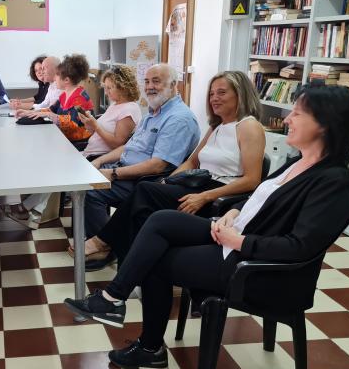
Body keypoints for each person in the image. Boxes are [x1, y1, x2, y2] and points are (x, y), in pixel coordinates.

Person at [64, 84, 349, 369]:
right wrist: (234, 211)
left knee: (154, 260)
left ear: (325, 123)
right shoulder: (299, 162)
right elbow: (259, 197)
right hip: (234, 237)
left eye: (297, 113)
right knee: (161, 220)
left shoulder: (333, 182)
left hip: (254, 267)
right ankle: (113, 300)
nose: (286, 119)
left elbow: (299, 247)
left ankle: (147, 345)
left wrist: (240, 240)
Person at [77, 70, 265, 271]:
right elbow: (192, 162)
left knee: (143, 190)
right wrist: (168, 182)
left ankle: (104, 242)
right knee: (143, 208)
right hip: (196, 185)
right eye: (211, 94)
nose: (214, 98)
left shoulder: (249, 127)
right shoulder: (216, 126)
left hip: (215, 195)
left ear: (240, 93)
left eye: (221, 93)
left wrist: (204, 196)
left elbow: (252, 180)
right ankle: (131, 267)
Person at [4, 63, 197, 224]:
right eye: (147, 81)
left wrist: (96, 133)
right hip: (106, 158)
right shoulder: (151, 113)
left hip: (132, 173)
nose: (106, 92)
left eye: (156, 81)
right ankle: (41, 211)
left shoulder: (165, 116)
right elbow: (128, 147)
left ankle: (96, 240)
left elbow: (130, 149)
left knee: (70, 175)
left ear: (174, 85)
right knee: (52, 161)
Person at [22, 54, 95, 142]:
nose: (55, 78)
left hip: (77, 142)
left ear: (66, 80)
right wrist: (28, 113)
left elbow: (73, 124)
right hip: (65, 139)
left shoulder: (80, 98)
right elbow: (51, 110)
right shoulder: (63, 95)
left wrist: (51, 116)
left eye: (57, 75)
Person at [78, 65, 142, 160]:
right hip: (90, 152)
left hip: (100, 158)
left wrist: (95, 125)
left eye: (109, 88)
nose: (106, 93)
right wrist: (89, 124)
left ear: (123, 87)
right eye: (105, 88)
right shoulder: (115, 104)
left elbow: (116, 145)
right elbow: (100, 133)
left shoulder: (130, 109)